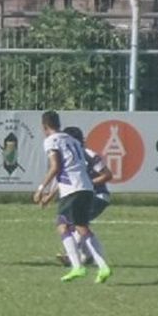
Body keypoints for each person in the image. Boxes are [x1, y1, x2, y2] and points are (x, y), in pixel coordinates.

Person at [32, 111, 111, 283]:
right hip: (87, 188)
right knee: (82, 227)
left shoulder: (51, 141)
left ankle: (77, 267)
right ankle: (103, 266)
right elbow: (72, 167)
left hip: (72, 190)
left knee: (62, 225)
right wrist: (51, 194)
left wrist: (41, 188)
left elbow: (56, 167)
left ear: (44, 126)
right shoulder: (74, 141)